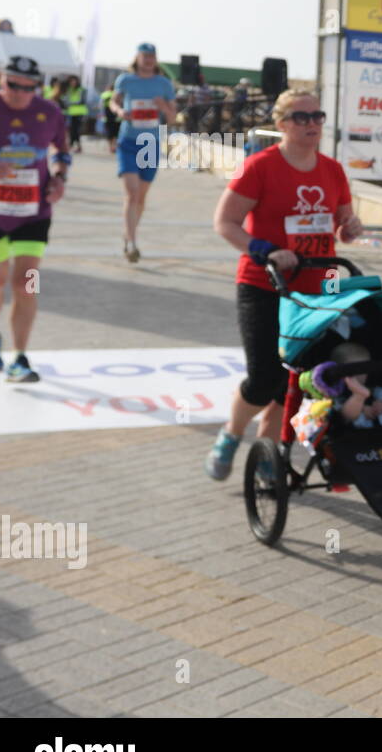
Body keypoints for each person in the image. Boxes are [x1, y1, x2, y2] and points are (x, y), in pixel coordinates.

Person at [204, 90, 363, 481]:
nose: (311, 123)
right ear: (281, 124)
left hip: (317, 287)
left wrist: (350, 228)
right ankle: (230, 435)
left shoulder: (332, 170)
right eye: (301, 117)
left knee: (294, 379)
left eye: (317, 116)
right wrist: (264, 249)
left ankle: (267, 454)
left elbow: (342, 224)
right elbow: (225, 223)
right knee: (264, 378)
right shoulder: (260, 166)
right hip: (265, 285)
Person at [0, 56, 71, 382]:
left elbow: (62, 152)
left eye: (28, 87)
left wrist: (60, 178)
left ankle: (20, 358)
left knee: (27, 283)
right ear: (0, 80)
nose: (20, 93)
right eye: (12, 85)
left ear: (38, 86)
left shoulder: (49, 112)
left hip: (34, 213)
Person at [110, 43, 175, 262]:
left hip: (151, 143)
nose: (148, 60)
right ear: (137, 57)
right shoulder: (126, 80)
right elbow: (113, 102)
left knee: (141, 197)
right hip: (128, 141)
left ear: (156, 59)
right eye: (144, 56)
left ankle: (129, 234)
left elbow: (173, 117)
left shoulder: (164, 84)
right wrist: (120, 111)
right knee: (132, 192)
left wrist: (163, 106)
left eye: (152, 56)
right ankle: (132, 243)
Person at [62, 75, 87, 153]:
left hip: (79, 112)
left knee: (75, 130)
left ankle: (73, 145)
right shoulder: (69, 89)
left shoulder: (81, 89)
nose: (73, 83)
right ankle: (75, 146)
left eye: (74, 81)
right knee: (72, 130)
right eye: (71, 81)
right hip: (70, 112)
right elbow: (65, 99)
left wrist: (70, 103)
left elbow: (82, 101)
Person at [99, 85, 118, 153]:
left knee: (109, 133)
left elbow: (100, 105)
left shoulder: (105, 94)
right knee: (115, 133)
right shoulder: (117, 94)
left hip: (107, 116)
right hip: (116, 117)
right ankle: (114, 146)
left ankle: (110, 147)